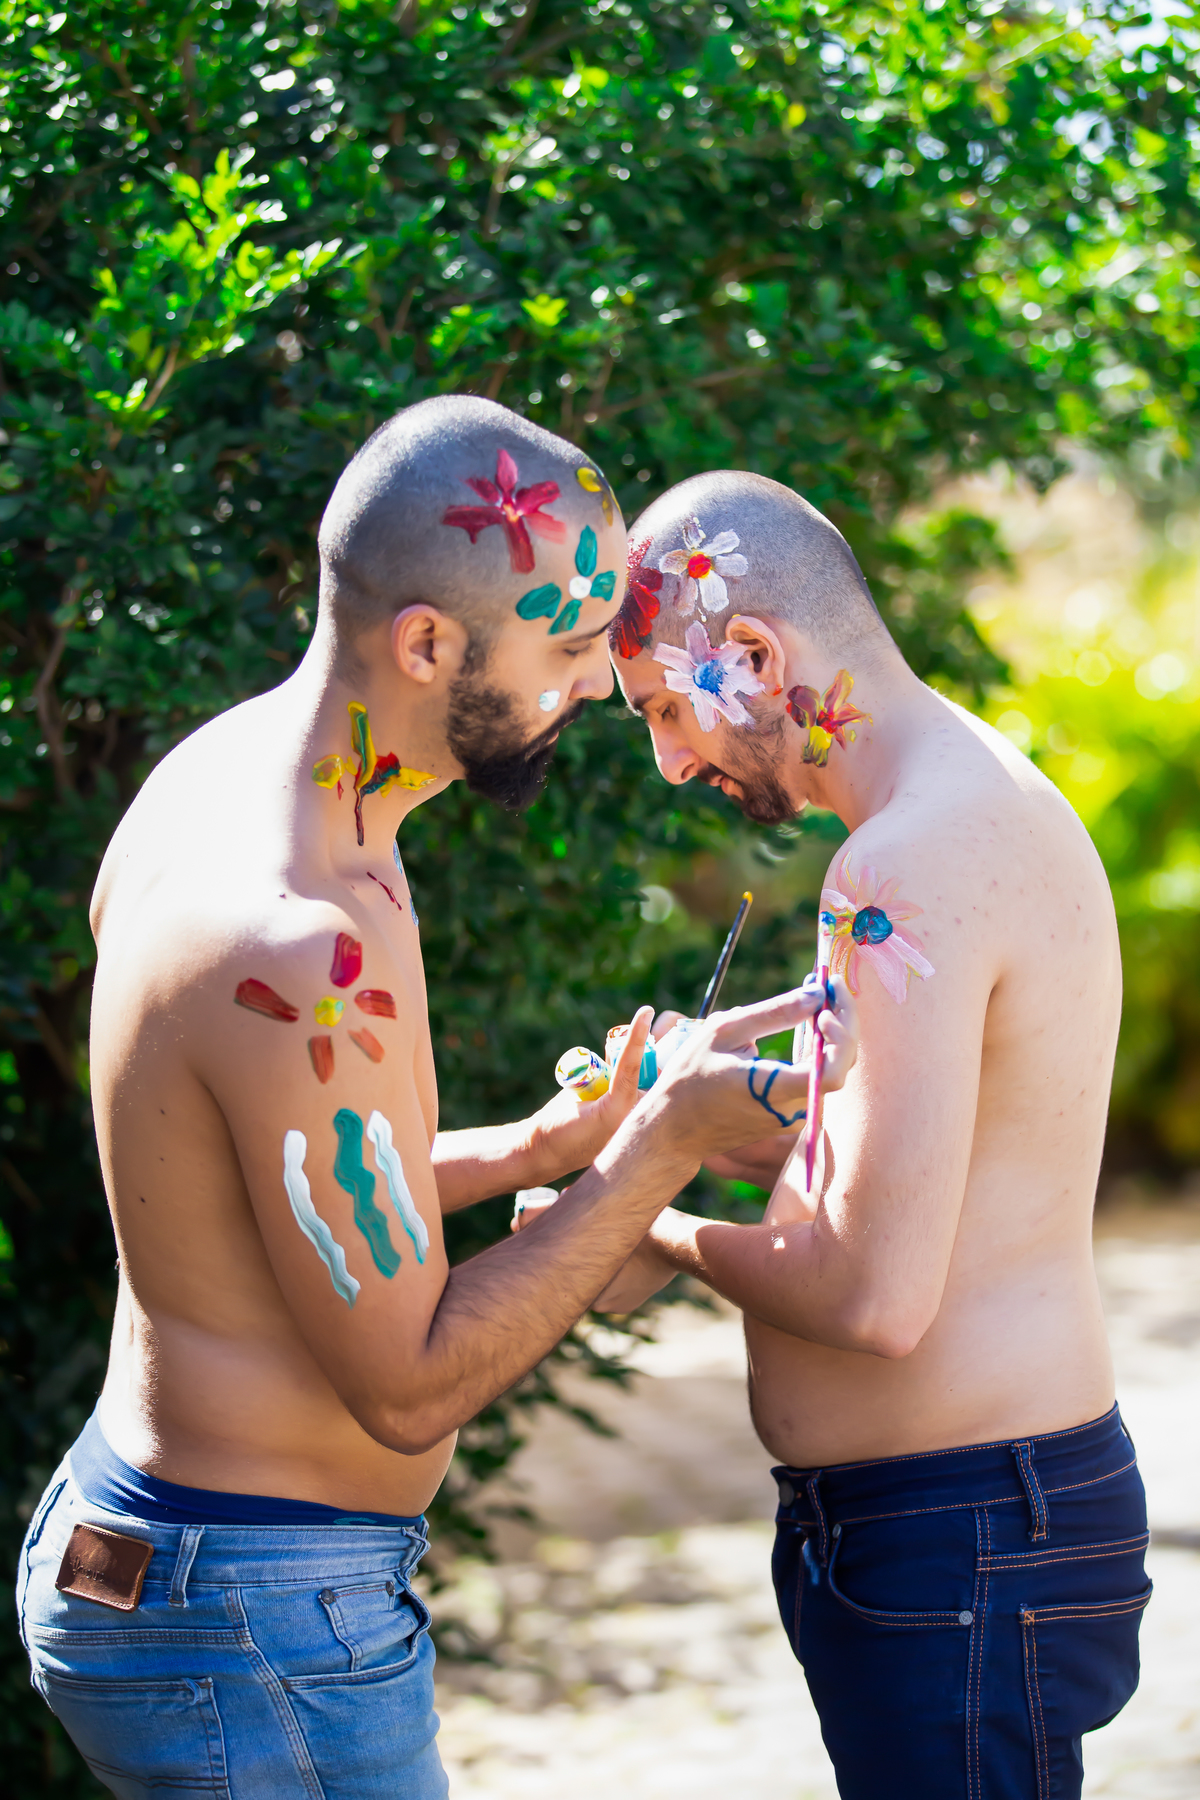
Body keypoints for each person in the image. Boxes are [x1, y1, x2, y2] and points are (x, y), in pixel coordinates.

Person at [16, 399, 855, 1798]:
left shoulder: (227, 781)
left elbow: (273, 1186)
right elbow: (407, 1387)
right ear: (426, 645)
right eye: (575, 649)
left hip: (199, 1573)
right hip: (252, 1621)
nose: (598, 691)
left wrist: (537, 1149)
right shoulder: (300, 938)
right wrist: (657, 1151)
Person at [592, 469, 1149, 1799]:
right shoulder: (968, 812)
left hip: (959, 1535)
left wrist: (647, 1210)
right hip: (971, 1526)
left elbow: (872, 1289)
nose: (671, 758)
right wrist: (733, 1102)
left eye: (667, 708)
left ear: (756, 655)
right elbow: (923, 1167)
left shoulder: (905, 863)